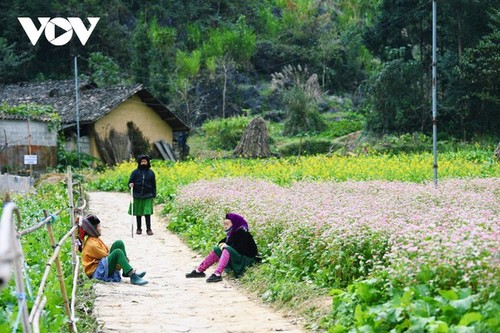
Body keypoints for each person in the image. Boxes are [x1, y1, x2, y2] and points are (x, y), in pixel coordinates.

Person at [186, 213, 259, 283]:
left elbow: (242, 250)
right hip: (238, 259)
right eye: (224, 224)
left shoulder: (243, 234)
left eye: (227, 224)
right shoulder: (232, 234)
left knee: (226, 248)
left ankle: (217, 274)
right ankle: (199, 270)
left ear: (235, 223)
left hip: (246, 261)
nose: (225, 226)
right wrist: (222, 245)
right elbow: (222, 243)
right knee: (217, 248)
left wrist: (226, 246)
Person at [79, 214, 148, 285]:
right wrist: (120, 261)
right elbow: (105, 255)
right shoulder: (92, 244)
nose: (100, 228)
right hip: (97, 272)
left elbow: (107, 250)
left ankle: (126, 271)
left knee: (119, 243)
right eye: (98, 226)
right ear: (93, 229)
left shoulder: (95, 239)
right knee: (117, 252)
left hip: (102, 265)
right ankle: (133, 276)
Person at [128, 154, 156, 235]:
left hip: (148, 195)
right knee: (138, 213)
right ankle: (139, 228)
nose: (143, 163)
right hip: (137, 195)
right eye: (142, 161)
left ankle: (149, 229)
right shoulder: (135, 172)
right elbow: (130, 182)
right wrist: (130, 185)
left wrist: (154, 194)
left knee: (147, 213)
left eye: (145, 161)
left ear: (147, 162)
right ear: (139, 162)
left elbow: (154, 185)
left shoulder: (151, 173)